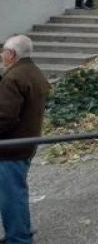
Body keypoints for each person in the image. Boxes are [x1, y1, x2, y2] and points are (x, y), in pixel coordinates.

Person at [0, 35, 50, 244]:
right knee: (15, 192)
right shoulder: (33, 72)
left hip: (11, 147)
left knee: (12, 196)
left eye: (3, 51)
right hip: (26, 142)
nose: (2, 55)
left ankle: (18, 238)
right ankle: (19, 233)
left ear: (12, 54)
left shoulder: (13, 78)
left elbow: (5, 117)